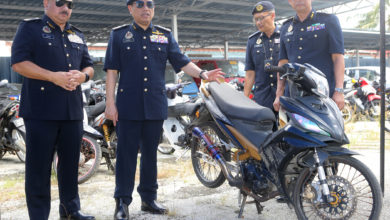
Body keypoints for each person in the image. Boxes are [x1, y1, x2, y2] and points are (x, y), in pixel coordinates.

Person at [103, 0, 225, 219]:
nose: (145, 8)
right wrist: (110, 104)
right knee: (126, 155)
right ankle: (122, 202)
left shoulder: (164, 35)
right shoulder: (119, 35)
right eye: (139, 4)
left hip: (154, 105)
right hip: (128, 106)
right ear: (130, 9)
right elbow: (111, 72)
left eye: (150, 4)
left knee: (150, 155)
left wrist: (203, 74)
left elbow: (181, 61)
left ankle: (149, 199)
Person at [11, 0, 95, 219]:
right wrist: (52, 76)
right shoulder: (30, 28)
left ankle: (70, 209)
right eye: (60, 2)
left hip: (72, 111)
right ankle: (39, 215)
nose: (65, 7)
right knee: (39, 168)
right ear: (46, 3)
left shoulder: (77, 34)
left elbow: (89, 65)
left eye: (69, 4)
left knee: (70, 165)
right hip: (41, 111)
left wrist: (83, 76)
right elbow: (19, 63)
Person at [273, 0, 345, 111]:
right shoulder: (285, 27)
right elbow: (283, 63)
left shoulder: (328, 21)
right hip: (293, 96)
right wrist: (279, 94)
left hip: (321, 95)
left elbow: (338, 58)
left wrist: (339, 91)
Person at [244, 1, 280, 121]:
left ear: (272, 16)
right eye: (256, 19)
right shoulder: (252, 41)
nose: (258, 22)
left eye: (261, 18)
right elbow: (250, 73)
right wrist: (244, 100)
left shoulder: (285, 36)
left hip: (284, 97)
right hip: (262, 99)